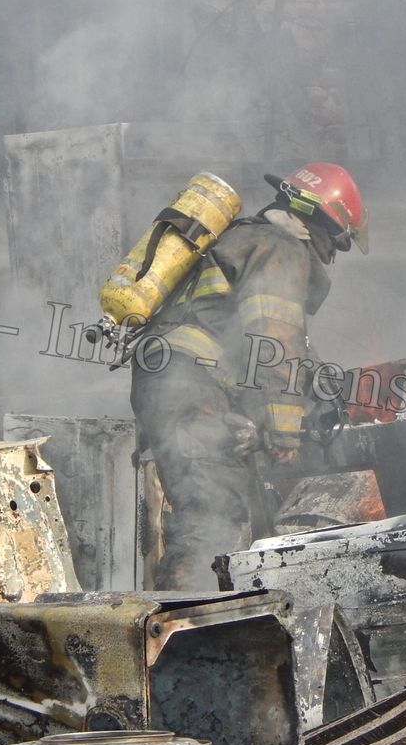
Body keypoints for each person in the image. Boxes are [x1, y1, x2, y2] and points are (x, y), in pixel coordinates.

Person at [130, 162, 368, 590]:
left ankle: (206, 622)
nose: (331, 253)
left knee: (216, 514)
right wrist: (285, 432)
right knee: (213, 521)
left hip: (172, 388)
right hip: (192, 391)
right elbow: (274, 342)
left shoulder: (240, 237)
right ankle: (181, 635)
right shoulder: (282, 248)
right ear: (329, 226)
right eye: (338, 243)